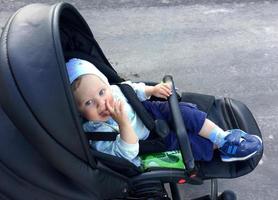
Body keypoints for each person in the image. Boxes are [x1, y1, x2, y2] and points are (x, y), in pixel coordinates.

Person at [66, 58, 262, 166]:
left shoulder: (115, 91)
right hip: (147, 140)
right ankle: (220, 149)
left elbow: (131, 89)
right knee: (187, 142)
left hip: (148, 111)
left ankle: (223, 138)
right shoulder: (98, 134)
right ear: (78, 110)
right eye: (89, 102)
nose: (102, 103)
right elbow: (127, 152)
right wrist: (124, 123)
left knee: (185, 113)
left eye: (102, 92)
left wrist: (151, 90)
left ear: (106, 84)